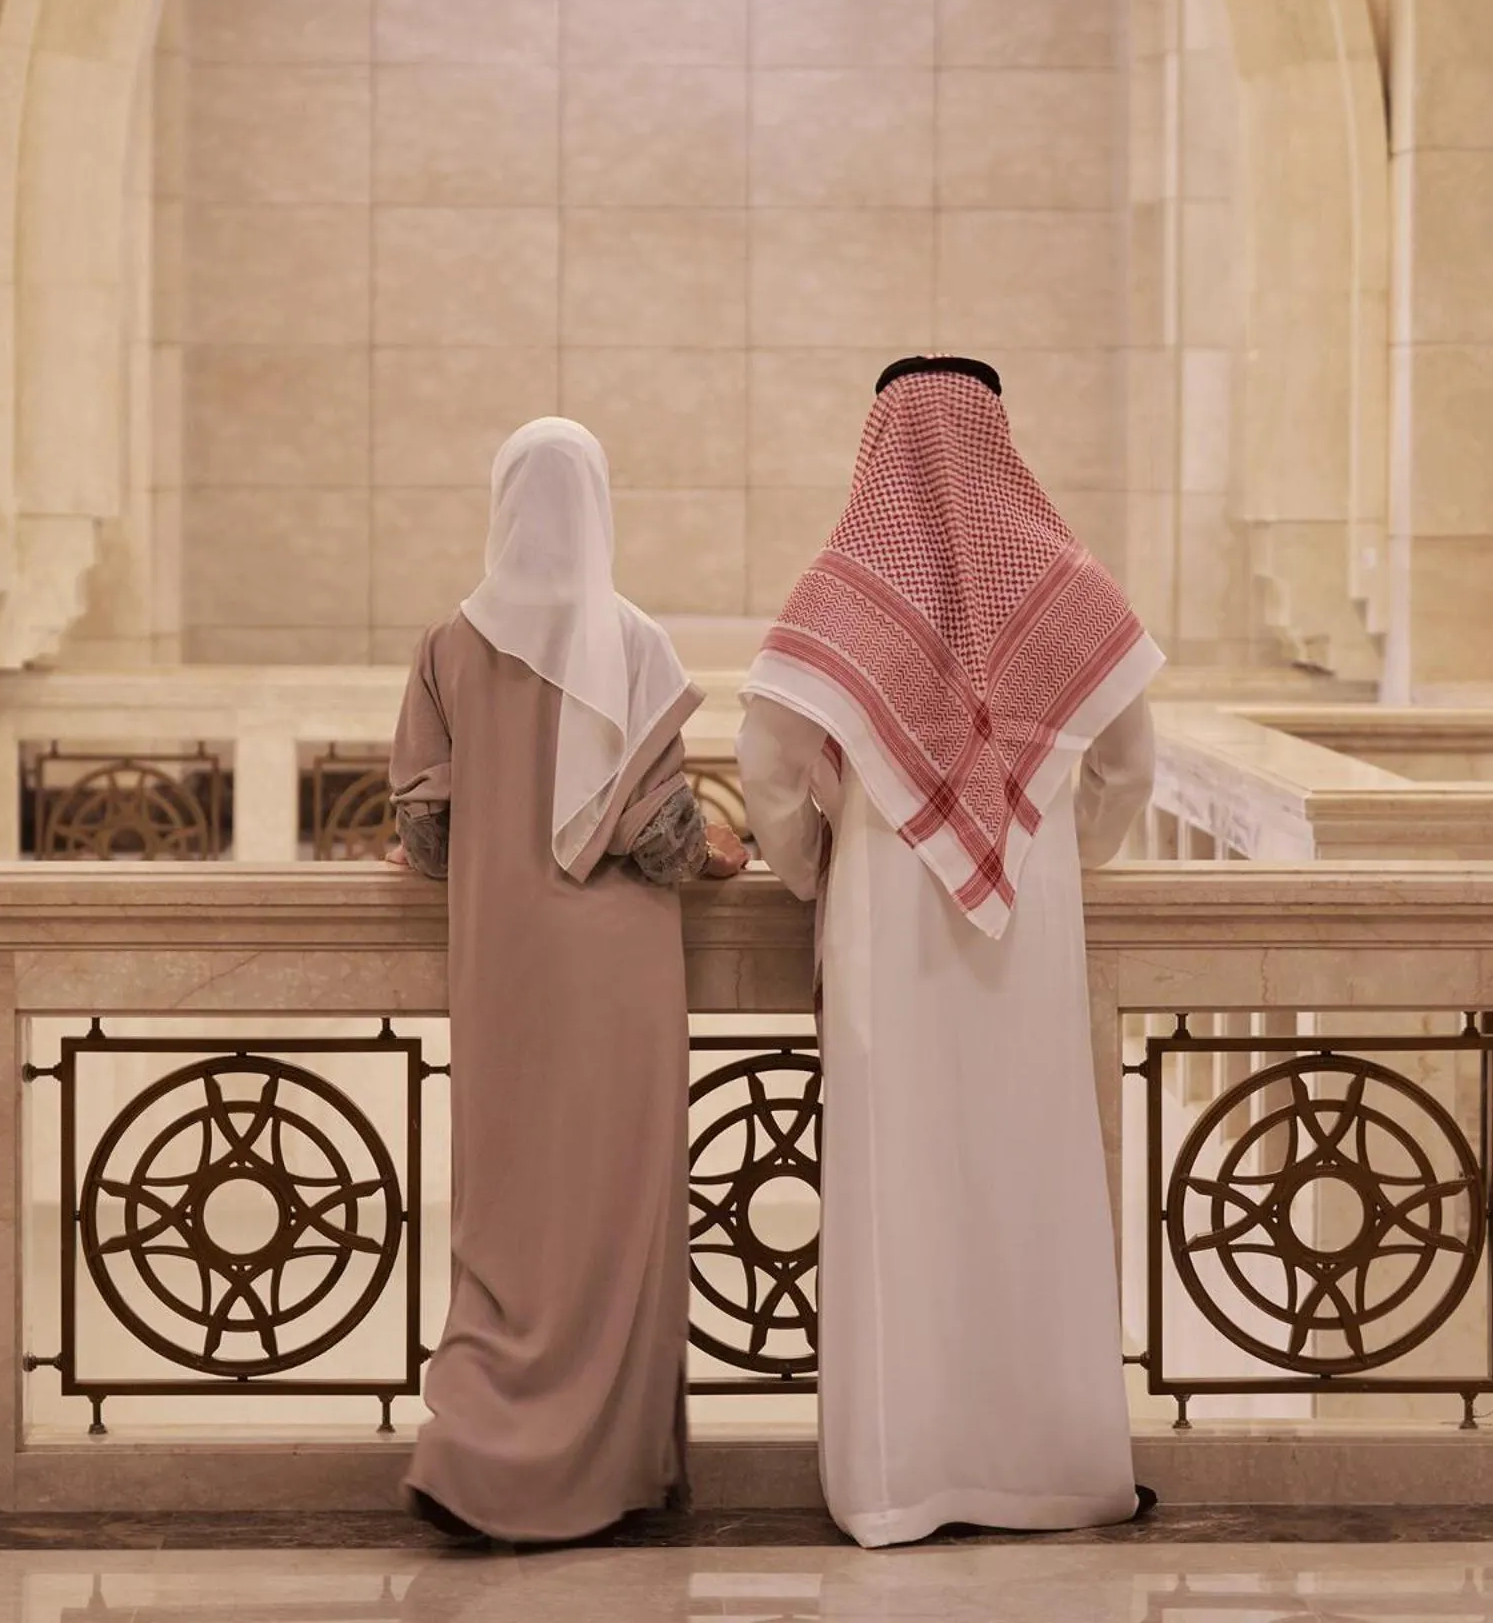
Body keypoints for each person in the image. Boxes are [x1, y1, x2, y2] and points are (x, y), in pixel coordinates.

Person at [734, 356, 1160, 1549]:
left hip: (885, 921)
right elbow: (1128, 764)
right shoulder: (1070, 591)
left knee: (900, 1179)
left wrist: (817, 867)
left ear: (877, 447)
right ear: (997, 441)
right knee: (1030, 1170)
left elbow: (766, 767)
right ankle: (1052, 1469)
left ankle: (900, 1480)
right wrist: (1054, 849)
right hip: (1029, 924)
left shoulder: (841, 594)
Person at [386, 417, 750, 1544]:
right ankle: (608, 1467)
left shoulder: (448, 644)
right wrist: (726, 848)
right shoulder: (633, 642)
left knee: (504, 1208)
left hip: (503, 970)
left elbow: (427, 839)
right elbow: (666, 843)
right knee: (612, 1207)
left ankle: (475, 1447)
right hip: (617, 980)